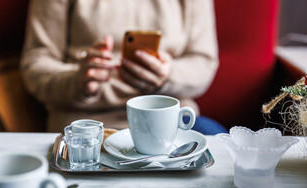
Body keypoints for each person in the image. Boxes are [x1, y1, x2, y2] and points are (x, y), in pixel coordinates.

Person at [21, 0, 226, 134]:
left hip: (170, 120)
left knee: (217, 144)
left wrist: (167, 75)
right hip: (86, 124)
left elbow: (203, 63)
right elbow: (36, 64)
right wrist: (77, 82)